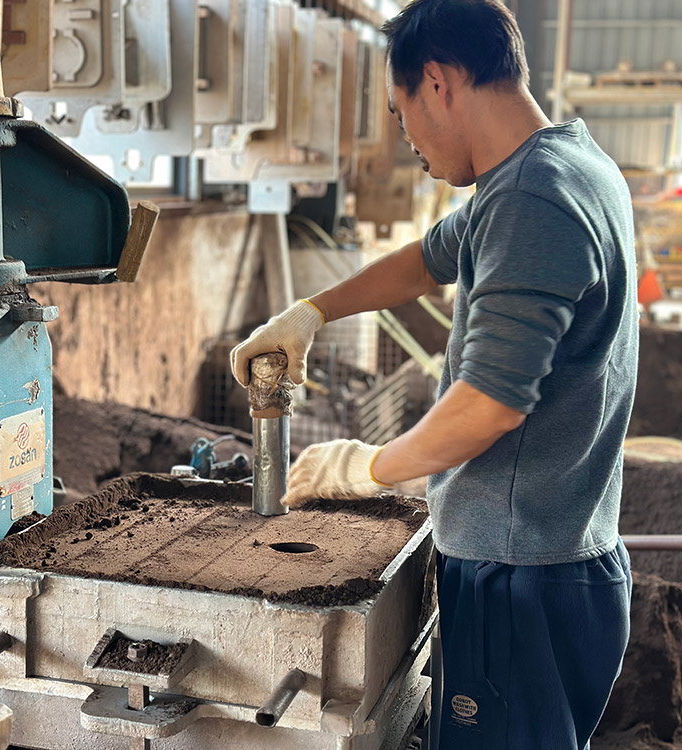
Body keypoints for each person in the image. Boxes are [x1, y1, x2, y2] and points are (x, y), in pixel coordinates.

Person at [230, 1, 637, 748]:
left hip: (519, 578)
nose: (406, 137)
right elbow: (426, 259)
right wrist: (311, 312)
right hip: (559, 558)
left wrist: (365, 467)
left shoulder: (531, 199)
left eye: (400, 110)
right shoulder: (565, 165)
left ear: (438, 83)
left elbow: (488, 406)